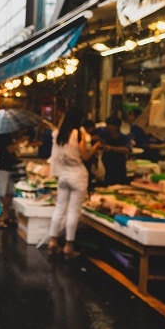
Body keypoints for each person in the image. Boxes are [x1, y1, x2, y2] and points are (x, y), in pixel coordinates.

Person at [45, 108, 100, 257]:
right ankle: (69, 247)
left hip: (63, 175)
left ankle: (53, 241)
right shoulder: (78, 134)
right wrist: (95, 147)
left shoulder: (58, 134)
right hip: (78, 175)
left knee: (60, 208)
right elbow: (85, 156)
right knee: (73, 211)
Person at [95, 116, 132, 185]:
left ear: (117, 126)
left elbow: (127, 150)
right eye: (107, 124)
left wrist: (112, 148)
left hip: (119, 166)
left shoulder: (123, 137)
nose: (108, 127)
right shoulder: (105, 135)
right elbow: (97, 143)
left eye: (110, 125)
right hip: (106, 166)